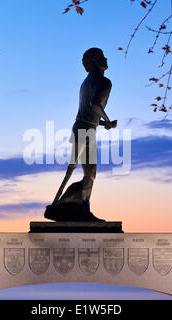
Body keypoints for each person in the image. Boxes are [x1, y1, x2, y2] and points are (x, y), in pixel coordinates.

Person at [44, 48, 117, 222]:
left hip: (82, 127)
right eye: (101, 57)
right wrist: (106, 120)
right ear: (94, 61)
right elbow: (95, 105)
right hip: (86, 131)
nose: (106, 59)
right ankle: (68, 205)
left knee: (86, 173)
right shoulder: (105, 82)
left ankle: (78, 207)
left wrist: (101, 122)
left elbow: (87, 114)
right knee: (90, 174)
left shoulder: (85, 83)